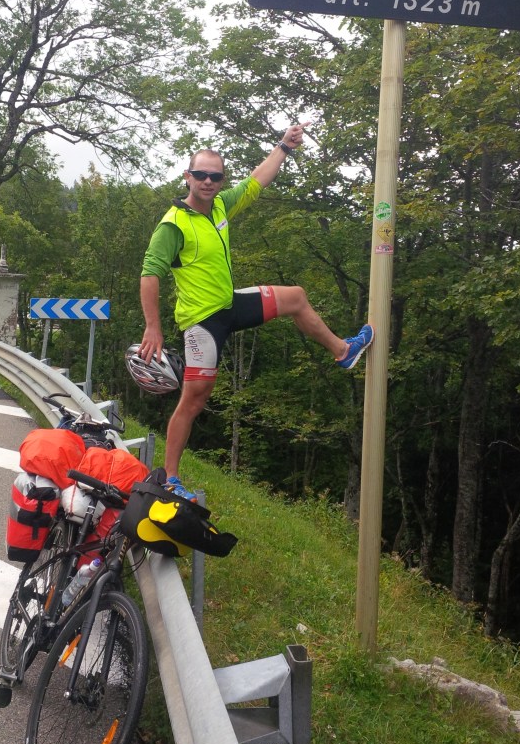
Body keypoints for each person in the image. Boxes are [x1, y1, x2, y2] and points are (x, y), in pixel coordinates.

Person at [139, 122, 374, 499]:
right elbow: (150, 274)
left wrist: (284, 146)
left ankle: (343, 352)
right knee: (195, 397)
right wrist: (153, 328)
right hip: (202, 323)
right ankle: (170, 476)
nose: (209, 182)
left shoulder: (219, 205)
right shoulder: (173, 224)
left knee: (295, 296)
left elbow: (256, 182)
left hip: (230, 303)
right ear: (188, 177)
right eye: (201, 175)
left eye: (215, 176)